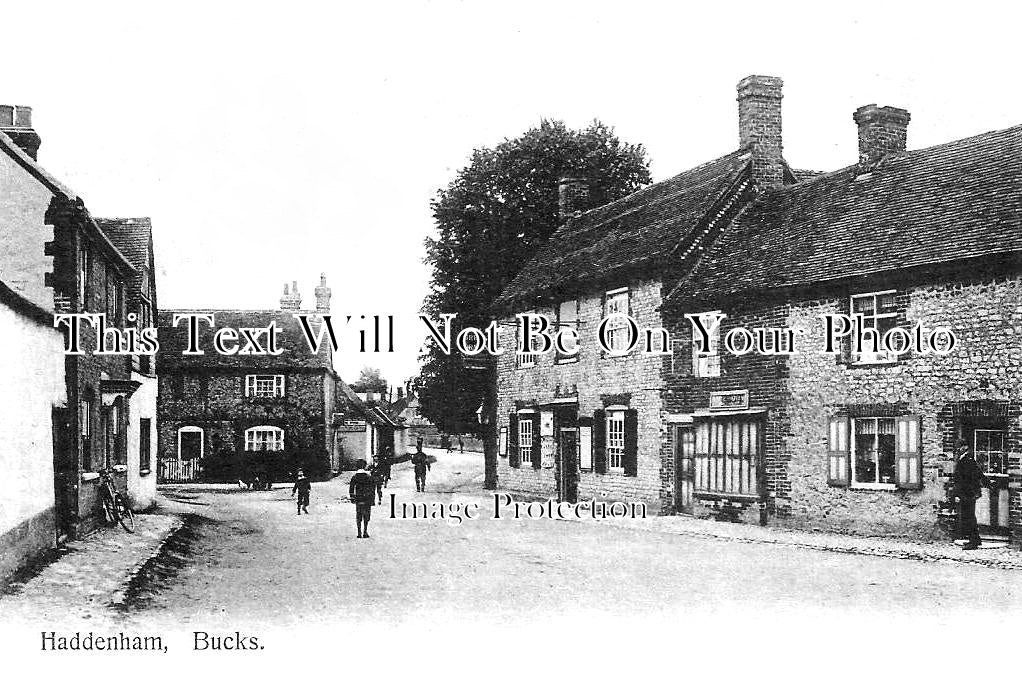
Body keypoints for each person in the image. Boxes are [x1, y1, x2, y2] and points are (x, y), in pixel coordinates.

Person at [952, 437, 989, 550]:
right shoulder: (966, 459)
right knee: (969, 516)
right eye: (957, 447)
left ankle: (973, 542)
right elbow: (978, 474)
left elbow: (965, 480)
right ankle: (976, 539)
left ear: (965, 447)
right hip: (968, 493)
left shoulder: (967, 460)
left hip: (967, 493)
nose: (958, 449)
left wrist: (959, 494)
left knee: (968, 517)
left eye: (960, 447)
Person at [349, 459, 376, 538]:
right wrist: (372, 499)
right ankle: (365, 531)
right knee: (366, 515)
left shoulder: (354, 477)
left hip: (358, 498)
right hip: (367, 498)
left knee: (359, 515)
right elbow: (372, 489)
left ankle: (359, 532)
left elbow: (351, 488)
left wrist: (352, 497)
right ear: (364, 466)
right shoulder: (369, 477)